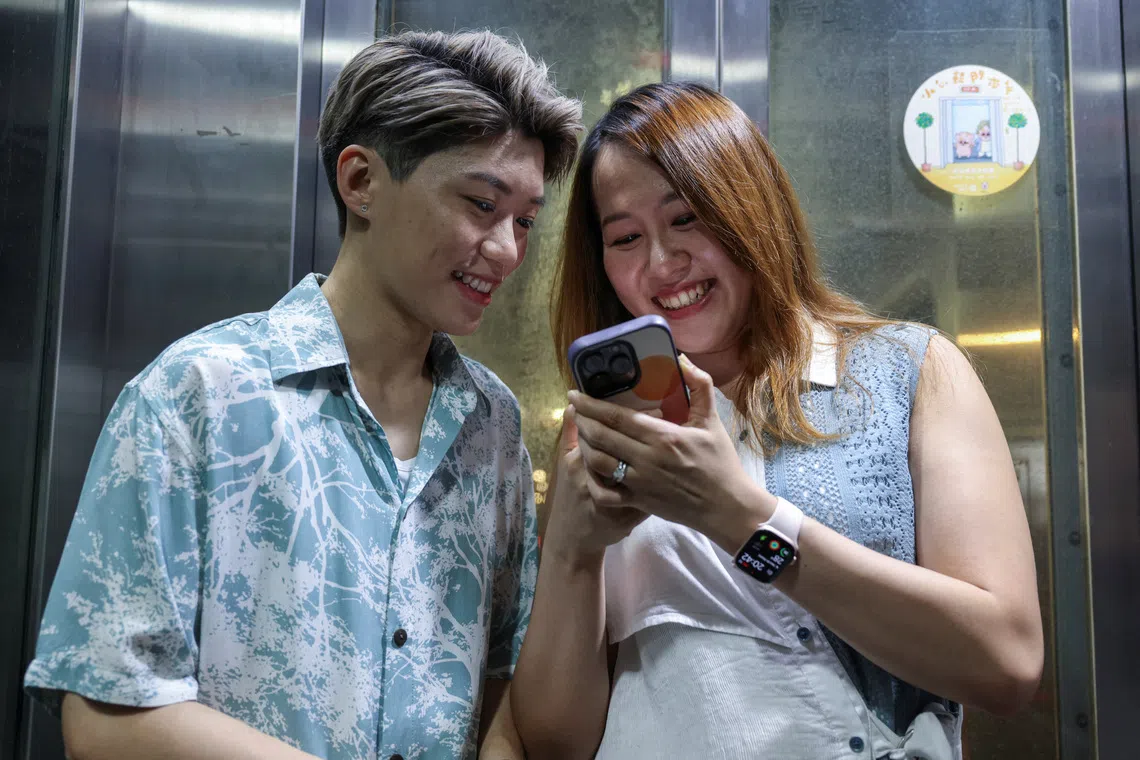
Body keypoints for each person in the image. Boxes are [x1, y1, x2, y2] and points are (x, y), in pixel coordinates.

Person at [24, 30, 581, 760]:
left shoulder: (491, 421)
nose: (508, 248)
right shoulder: (201, 391)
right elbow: (106, 713)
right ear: (360, 181)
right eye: (481, 203)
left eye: (526, 221)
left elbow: (502, 688)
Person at [511, 82, 1042, 760]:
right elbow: (558, 743)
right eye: (625, 237)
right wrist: (572, 554)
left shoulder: (909, 370)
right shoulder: (601, 433)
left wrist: (741, 521)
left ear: (748, 209)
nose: (662, 264)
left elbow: (1007, 661)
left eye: (686, 219)